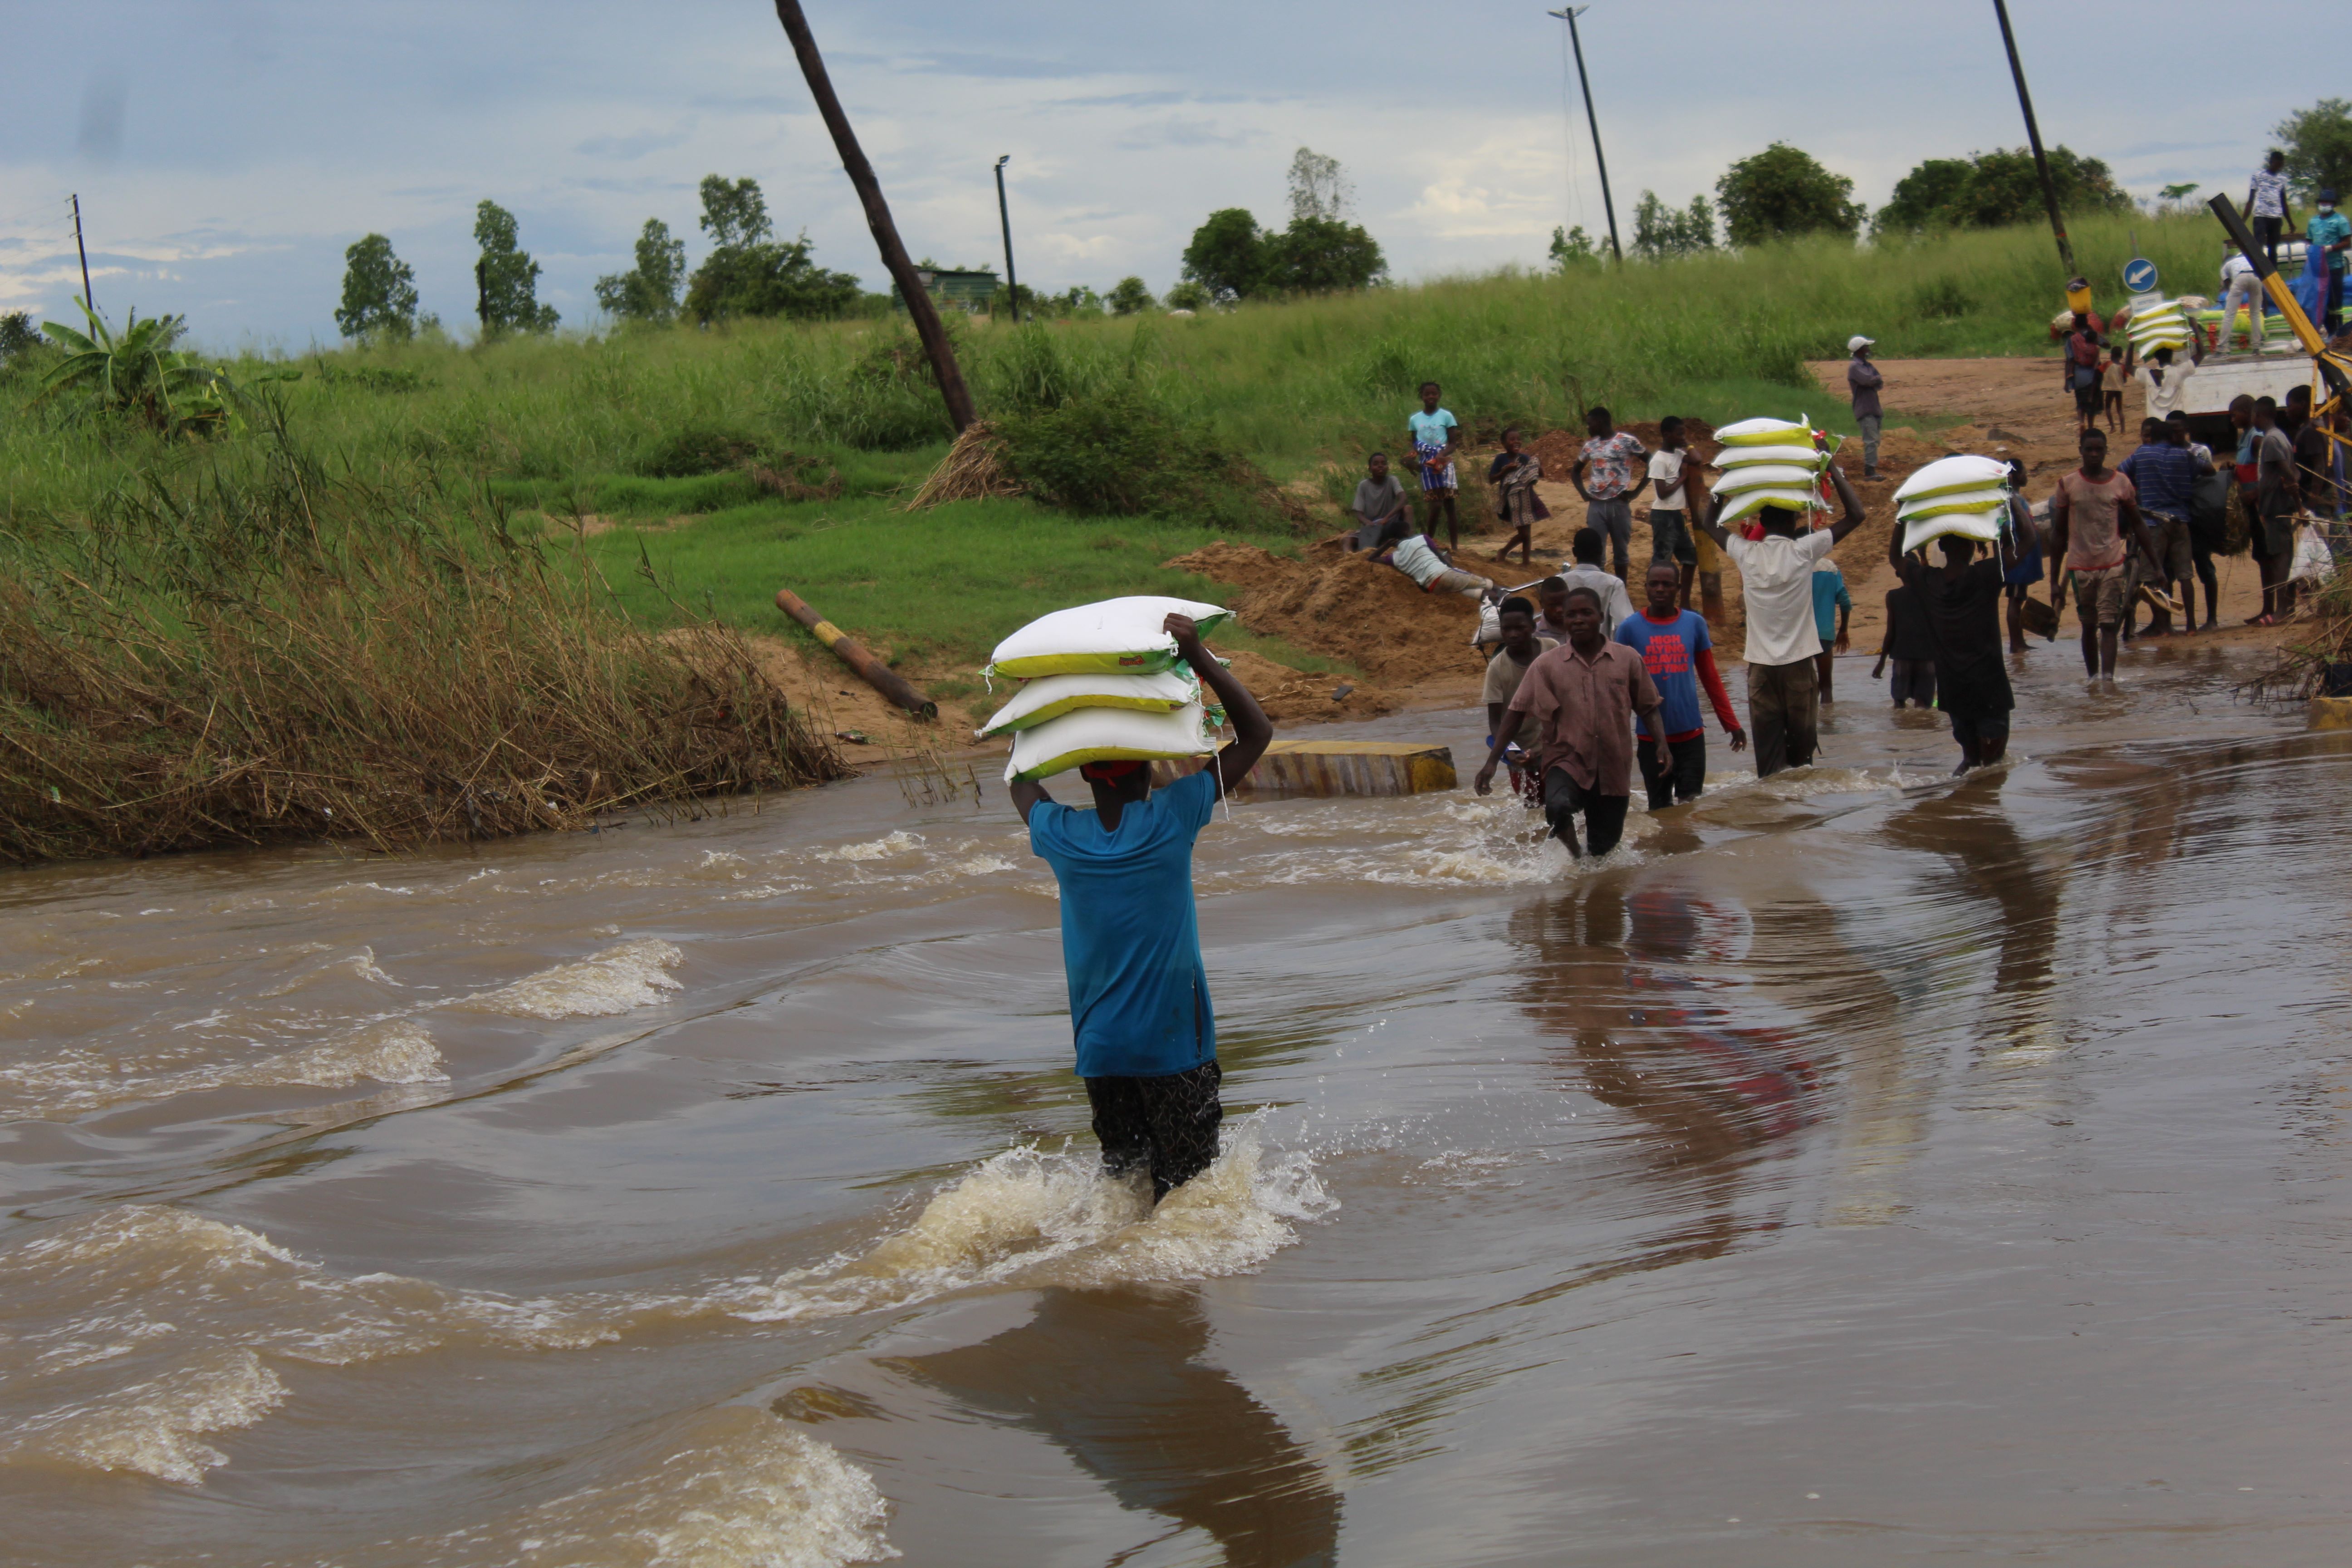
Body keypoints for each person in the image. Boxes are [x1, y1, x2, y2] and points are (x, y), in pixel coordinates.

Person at [1011, 613, 1273, 1202]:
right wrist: (1199, 655)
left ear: (1082, 768)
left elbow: (1021, 778)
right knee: (1189, 1199)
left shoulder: (1061, 836)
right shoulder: (1171, 818)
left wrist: (1039, 696)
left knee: (1125, 1192)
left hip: (1102, 1054)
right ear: (1152, 763)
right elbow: (1256, 735)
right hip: (1173, 1050)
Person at [1695, 464, 1868, 776]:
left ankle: (1774, 819)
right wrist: (1836, 473)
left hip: (1760, 671)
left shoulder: (1746, 552)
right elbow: (1857, 516)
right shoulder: (1805, 550)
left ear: (1761, 522)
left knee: (1769, 768)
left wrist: (1725, 481)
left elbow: (1709, 522)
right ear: (1792, 521)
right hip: (1799, 666)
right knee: (1802, 767)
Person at [1472, 585, 1665, 860]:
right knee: (1558, 808)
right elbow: (1514, 712)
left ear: (1600, 616)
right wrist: (1492, 762)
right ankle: (1574, 856)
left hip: (1613, 765)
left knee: (1603, 853)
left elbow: (1649, 706)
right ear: (1563, 621)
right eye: (1571, 614)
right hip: (1565, 759)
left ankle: (1589, 877)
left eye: (1586, 613)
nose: (1578, 620)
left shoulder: (1627, 659)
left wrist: (1662, 745)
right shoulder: (1547, 665)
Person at [1613, 561, 1745, 809]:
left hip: (1691, 734)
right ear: (1646, 588)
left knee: (1691, 807)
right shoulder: (1629, 629)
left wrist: (1731, 723)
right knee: (1660, 809)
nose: (1660, 589)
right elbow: (1618, 689)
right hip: (1651, 738)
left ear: (1679, 588)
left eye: (1667, 584)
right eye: (1654, 584)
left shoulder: (1694, 623)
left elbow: (1710, 678)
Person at [1889, 513, 2014, 774]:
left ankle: (1957, 803)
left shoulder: (1928, 582)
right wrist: (2009, 505)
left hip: (1953, 688)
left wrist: (1902, 519)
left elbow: (1896, 558)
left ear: (1942, 547)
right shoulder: (1987, 575)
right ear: (1973, 546)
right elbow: (2024, 546)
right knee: (1991, 769)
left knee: (1971, 763)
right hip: (1989, 687)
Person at [2050, 426, 2157, 678]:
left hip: (2112, 565)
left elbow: (2138, 523)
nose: (2094, 454)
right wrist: (2054, 581)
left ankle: (2107, 681)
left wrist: (2156, 565)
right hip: (2080, 568)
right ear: (2081, 452)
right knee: (2088, 626)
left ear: (2107, 451)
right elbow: (2058, 533)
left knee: (2109, 625)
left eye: (2099, 449)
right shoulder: (2067, 485)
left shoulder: (2121, 482)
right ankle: (2093, 678)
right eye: (2089, 450)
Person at [2116, 416, 2199, 636]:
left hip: (2153, 522)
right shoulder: (2184, 455)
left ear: (2152, 437)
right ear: (2171, 437)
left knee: (2153, 576)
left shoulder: (2142, 453)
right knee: (2185, 576)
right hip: (2181, 521)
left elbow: (2120, 471)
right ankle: (2191, 625)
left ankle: (2163, 626)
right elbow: (2206, 469)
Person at [1482, 596, 1558, 806]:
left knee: (1564, 806)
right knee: (1533, 811)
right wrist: (1510, 752)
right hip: (1522, 753)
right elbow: (1496, 723)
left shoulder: (1551, 649)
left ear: (1533, 627)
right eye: (1507, 629)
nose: (1513, 634)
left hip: (1556, 747)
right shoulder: (1497, 669)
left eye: (1520, 628)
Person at [1570, 406, 1647, 580]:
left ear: (1600, 422)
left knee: (1621, 551)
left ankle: (1621, 588)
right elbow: (1575, 471)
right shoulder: (1590, 446)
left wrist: (1636, 492)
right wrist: (1584, 493)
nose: (1588, 428)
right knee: (1597, 552)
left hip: (1619, 504)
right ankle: (1601, 588)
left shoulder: (1627, 441)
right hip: (1596, 504)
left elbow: (1652, 463)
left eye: (1590, 424)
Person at [2253, 395, 2301, 623]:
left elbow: (2288, 473)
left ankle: (2282, 611)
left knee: (2280, 556)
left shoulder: (2271, 441)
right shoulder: (2281, 436)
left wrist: (2296, 497)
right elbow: (2293, 471)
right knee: (2284, 554)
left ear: (2259, 415)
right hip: (2280, 504)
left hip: (2275, 505)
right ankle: (2287, 608)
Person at [1374, 517, 1496, 600]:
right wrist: (1451, 567)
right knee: (1488, 584)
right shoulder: (1422, 539)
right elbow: (1440, 557)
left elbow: (1371, 558)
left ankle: (1487, 598)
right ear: (1406, 531)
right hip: (1443, 575)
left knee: (1467, 590)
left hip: (1431, 587)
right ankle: (1506, 597)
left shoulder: (1394, 558)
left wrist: (1386, 545)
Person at [1646, 416, 1698, 607]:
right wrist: (1683, 478)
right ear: (1667, 435)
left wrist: (1688, 445)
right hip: (1663, 515)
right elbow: (1662, 493)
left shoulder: (1678, 454)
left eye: (1684, 433)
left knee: (1691, 559)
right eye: (1679, 434)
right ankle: (1658, 604)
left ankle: (1684, 604)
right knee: (1661, 563)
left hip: (1676, 515)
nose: (1683, 437)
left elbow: (1697, 459)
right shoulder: (1659, 460)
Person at [1556, 526, 1639, 636]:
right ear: (1601, 551)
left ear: (1574, 552)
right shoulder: (1613, 584)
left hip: (1566, 649)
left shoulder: (1561, 582)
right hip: (1602, 649)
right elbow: (1623, 622)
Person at [1408, 380, 1462, 549]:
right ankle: (1428, 542)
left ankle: (1455, 547)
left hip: (1444, 464)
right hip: (1427, 464)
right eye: (1427, 394)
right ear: (1422, 397)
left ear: (1439, 396)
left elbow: (1453, 444)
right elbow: (1416, 445)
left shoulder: (1446, 416)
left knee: (1449, 506)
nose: (1431, 397)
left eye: (1434, 394)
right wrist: (1410, 460)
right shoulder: (1415, 420)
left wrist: (1442, 455)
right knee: (1435, 504)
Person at [1999, 459, 2044, 652]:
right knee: (2015, 599)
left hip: (2022, 560)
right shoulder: (2010, 499)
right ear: (2015, 476)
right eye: (2024, 472)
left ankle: (2019, 642)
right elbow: (2008, 527)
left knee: (2018, 598)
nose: (2026, 476)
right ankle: (2016, 643)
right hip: (2018, 560)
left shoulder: (2015, 497)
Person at [1487, 427, 1548, 565]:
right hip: (1510, 500)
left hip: (1526, 499)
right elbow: (1492, 479)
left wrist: (1538, 466)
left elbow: (1541, 475)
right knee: (1524, 533)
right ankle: (1504, 551)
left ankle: (1526, 562)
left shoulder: (1525, 458)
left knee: (1527, 531)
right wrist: (1505, 471)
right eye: (1512, 439)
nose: (1517, 442)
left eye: (1519, 439)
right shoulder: (1501, 459)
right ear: (1504, 443)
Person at [1871, 583, 1937, 708]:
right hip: (1927, 655)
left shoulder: (1893, 596)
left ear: (1897, 573)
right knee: (1923, 705)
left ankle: (1901, 727)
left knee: (1899, 703)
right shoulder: (1932, 593)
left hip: (1902, 655)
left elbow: (1891, 632)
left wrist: (1882, 662)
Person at [1809, 546, 1853, 702]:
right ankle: (1828, 722)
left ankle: (1809, 722)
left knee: (1804, 687)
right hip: (1825, 634)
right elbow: (1845, 602)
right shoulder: (1831, 568)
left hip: (1800, 636)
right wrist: (1843, 630)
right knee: (1826, 686)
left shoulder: (1793, 568)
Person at [1348, 452, 1410, 551]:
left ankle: (1410, 543)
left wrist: (1387, 518)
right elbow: (1359, 513)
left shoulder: (1392, 480)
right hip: (1372, 527)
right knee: (1347, 541)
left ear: (1388, 467)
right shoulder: (1364, 486)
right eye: (1376, 464)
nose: (1380, 466)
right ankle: (1349, 559)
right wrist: (1367, 523)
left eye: (1384, 463)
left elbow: (1404, 499)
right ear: (1370, 469)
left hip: (1390, 525)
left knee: (1408, 509)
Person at [2310, 189, 2350, 337]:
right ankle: (2330, 331)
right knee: (2322, 302)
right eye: (2322, 202)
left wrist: (2331, 248)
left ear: (2332, 205)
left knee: (2335, 302)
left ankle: (2340, 332)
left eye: (2327, 203)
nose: (2324, 205)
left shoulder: (2340, 220)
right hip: (2318, 269)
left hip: (2335, 267)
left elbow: (2347, 242)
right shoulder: (2314, 221)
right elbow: (2309, 240)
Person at [2247, 150, 2294, 271]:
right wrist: (2243, 219)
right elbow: (2251, 199)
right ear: (2271, 162)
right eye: (2276, 164)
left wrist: (2290, 222)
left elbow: (2284, 202)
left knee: (2273, 248)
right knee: (2259, 246)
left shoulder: (2282, 180)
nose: (2278, 167)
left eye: (2281, 166)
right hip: (2261, 215)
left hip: (2276, 217)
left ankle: (2273, 274)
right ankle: (2259, 271)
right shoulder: (2258, 176)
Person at [2133, 342, 2200, 422]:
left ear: (2156, 357)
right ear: (2172, 355)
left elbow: (2128, 366)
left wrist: (2132, 342)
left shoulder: (2147, 375)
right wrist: (2195, 329)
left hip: (2156, 424)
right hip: (2174, 423)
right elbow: (2200, 354)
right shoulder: (2179, 372)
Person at [1847, 336, 1884, 478]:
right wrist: (1874, 380)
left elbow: (1877, 382)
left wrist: (1873, 380)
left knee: (1874, 440)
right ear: (1860, 349)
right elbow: (1870, 380)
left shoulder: (1866, 366)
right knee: (1871, 440)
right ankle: (1870, 471)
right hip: (1865, 408)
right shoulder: (1855, 367)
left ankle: (1871, 469)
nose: (1869, 349)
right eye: (1866, 347)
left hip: (1873, 407)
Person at [2220, 245, 2268, 354]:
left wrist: (2232, 296)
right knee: (2255, 314)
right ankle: (2256, 348)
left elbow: (2227, 285)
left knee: (2229, 314)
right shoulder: (2250, 258)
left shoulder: (2226, 266)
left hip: (2240, 278)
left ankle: (2222, 348)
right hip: (2256, 276)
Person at [2064, 313, 2104, 434]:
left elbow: (2070, 360)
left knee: (2080, 401)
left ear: (2075, 325)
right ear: (2087, 323)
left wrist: (2067, 380)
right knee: (2092, 402)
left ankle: (2082, 422)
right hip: (2093, 374)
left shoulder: (2072, 340)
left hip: (2078, 374)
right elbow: (2106, 344)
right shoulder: (2093, 336)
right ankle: (2091, 426)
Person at [2101, 345, 2129, 432]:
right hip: (2119, 389)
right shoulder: (2123, 367)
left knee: (2108, 408)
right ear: (2121, 356)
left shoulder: (2107, 364)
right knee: (2120, 409)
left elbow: (2099, 371)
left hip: (2109, 389)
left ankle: (2113, 427)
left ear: (2111, 355)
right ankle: (2123, 429)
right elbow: (2125, 380)